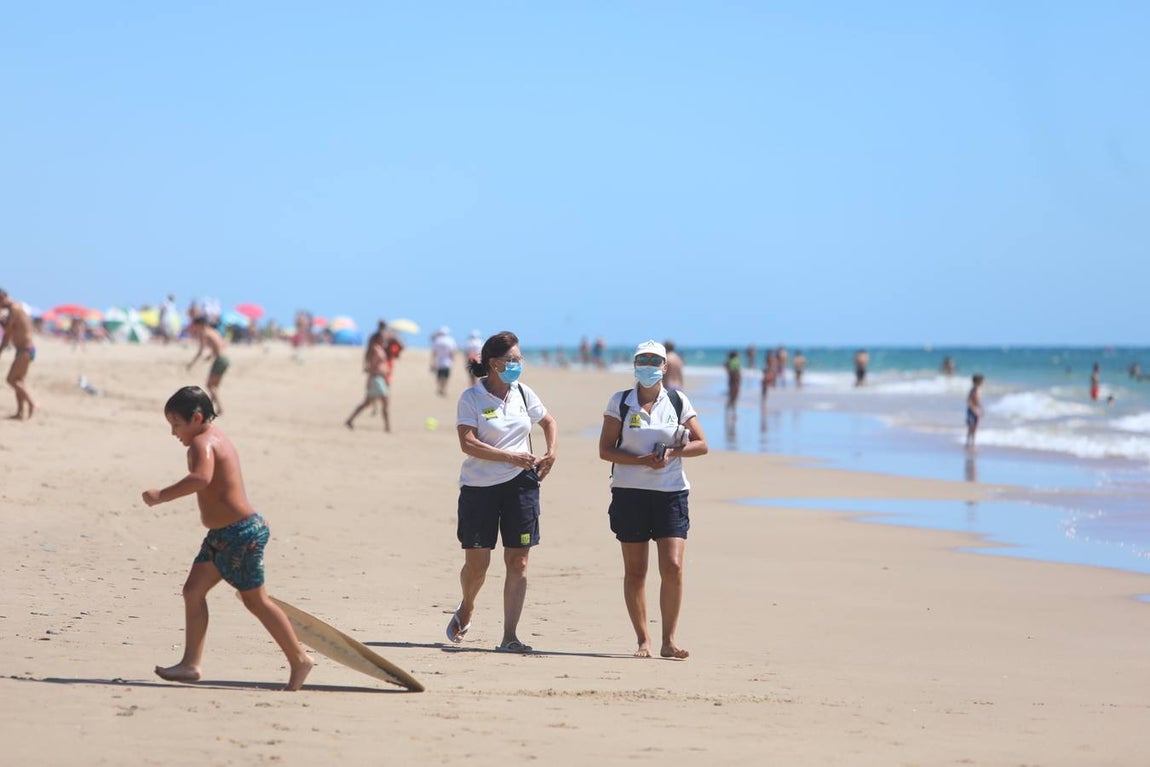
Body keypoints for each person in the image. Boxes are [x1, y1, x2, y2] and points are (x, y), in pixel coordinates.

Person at [142, 386, 313, 690]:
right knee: (193, 591)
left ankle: (299, 659)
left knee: (256, 601)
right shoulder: (215, 437)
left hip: (241, 533)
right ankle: (191, 664)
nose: (173, 433)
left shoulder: (202, 444)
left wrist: (161, 496)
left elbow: (201, 478)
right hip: (223, 535)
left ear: (196, 418)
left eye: (176, 425)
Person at [446, 331, 558, 653]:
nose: (517, 365)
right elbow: (467, 442)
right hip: (479, 489)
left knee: (518, 561)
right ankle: (467, 605)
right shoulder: (472, 398)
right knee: (477, 564)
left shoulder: (524, 393)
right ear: (494, 364)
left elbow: (549, 422)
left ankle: (510, 636)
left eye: (519, 359)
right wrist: (509, 455)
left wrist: (551, 453)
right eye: (512, 360)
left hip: (521, 486)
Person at [597, 340, 709, 659]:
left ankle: (669, 640)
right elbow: (605, 450)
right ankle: (643, 639)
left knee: (672, 566)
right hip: (630, 493)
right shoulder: (620, 402)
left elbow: (702, 443)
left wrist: (672, 452)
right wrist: (641, 460)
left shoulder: (676, 401)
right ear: (634, 366)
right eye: (641, 360)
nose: (647, 366)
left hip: (671, 492)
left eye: (653, 361)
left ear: (664, 367)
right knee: (636, 571)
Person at [0, 288, 36, 419]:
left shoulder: (15, 309)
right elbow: (7, 335)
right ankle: (20, 412)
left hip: (25, 350)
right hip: (24, 350)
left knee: (11, 380)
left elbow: (7, 329)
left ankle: (32, 403)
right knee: (19, 380)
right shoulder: (14, 310)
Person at [345, 329, 390, 431]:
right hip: (377, 379)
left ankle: (350, 419)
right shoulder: (375, 350)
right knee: (385, 400)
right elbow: (371, 367)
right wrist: (373, 377)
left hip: (379, 378)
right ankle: (387, 427)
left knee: (367, 403)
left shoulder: (379, 349)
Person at [187, 316, 230, 414]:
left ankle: (219, 408)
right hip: (226, 359)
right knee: (214, 386)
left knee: (210, 385)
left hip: (220, 360)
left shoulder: (204, 333)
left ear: (199, 325)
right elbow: (222, 344)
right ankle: (208, 408)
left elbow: (200, 351)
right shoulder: (214, 331)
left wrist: (191, 364)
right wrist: (211, 355)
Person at [430, 327, 458, 397]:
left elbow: (434, 353)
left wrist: (432, 362)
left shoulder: (437, 340)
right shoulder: (450, 340)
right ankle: (444, 389)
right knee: (446, 377)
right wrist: (453, 360)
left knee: (439, 376)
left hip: (439, 362)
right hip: (447, 362)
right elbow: (453, 352)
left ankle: (439, 388)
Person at [966, 373, 984, 449]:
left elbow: (978, 401)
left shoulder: (978, 390)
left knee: (975, 427)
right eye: (981, 381)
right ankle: (968, 443)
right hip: (972, 410)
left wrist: (981, 409)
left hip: (976, 410)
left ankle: (972, 443)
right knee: (971, 427)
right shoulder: (973, 390)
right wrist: (974, 409)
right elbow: (969, 401)